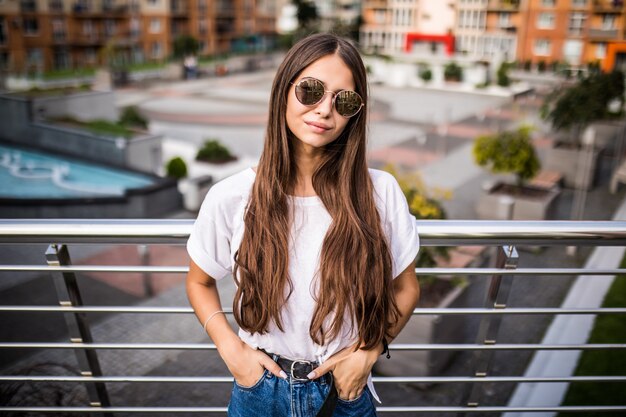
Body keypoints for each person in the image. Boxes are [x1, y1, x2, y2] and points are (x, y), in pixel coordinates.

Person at [186, 33, 420, 417]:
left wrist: (369, 352)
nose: (325, 109)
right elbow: (199, 282)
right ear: (283, 91)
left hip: (344, 390)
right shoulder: (231, 196)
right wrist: (231, 350)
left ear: (355, 113)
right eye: (311, 90)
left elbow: (406, 288)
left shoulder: (381, 191)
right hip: (258, 390)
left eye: (343, 100)